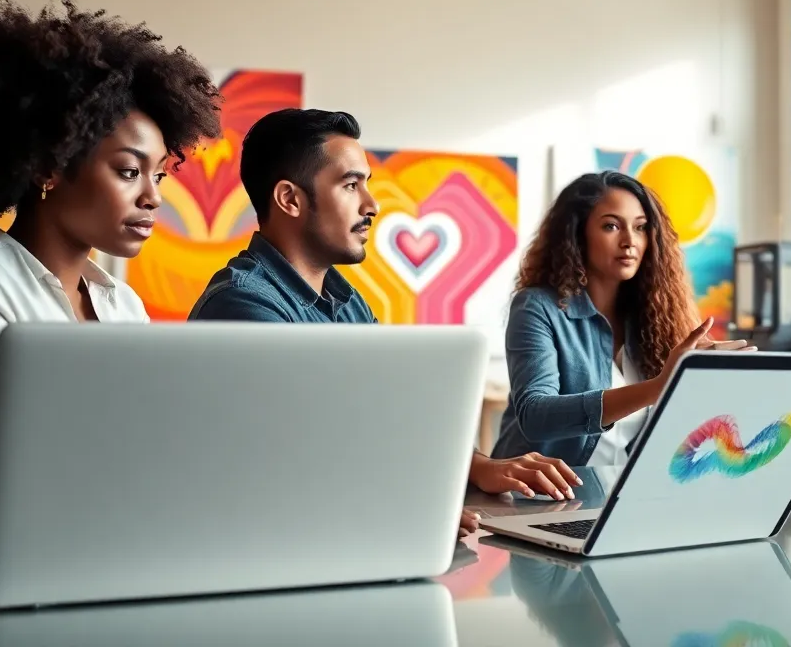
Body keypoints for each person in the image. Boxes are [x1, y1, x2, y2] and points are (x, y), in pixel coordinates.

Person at [0, 0, 222, 567]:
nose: (153, 197)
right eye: (129, 171)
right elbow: (6, 498)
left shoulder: (121, 305)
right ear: (48, 167)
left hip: (92, 566)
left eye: (160, 175)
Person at [188, 108, 581, 534]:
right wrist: (401, 510)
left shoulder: (346, 301)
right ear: (290, 199)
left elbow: (391, 414)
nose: (372, 204)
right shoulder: (243, 306)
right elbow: (297, 457)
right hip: (270, 537)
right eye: (350, 185)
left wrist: (479, 466)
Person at [493, 171, 752, 467]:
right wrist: (658, 386)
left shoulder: (655, 318)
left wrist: (706, 381)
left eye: (640, 227)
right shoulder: (537, 306)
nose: (630, 241)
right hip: (532, 489)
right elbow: (536, 416)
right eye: (611, 226)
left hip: (613, 487)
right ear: (576, 235)